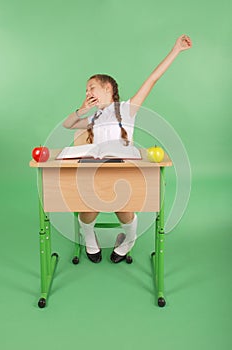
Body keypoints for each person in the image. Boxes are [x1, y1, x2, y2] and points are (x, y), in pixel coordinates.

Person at [63, 34, 192, 263]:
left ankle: (129, 238)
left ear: (108, 88)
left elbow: (152, 79)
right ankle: (89, 238)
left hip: (123, 174)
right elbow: (68, 124)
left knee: (123, 210)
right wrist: (82, 109)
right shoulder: (94, 118)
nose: (87, 93)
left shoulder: (127, 109)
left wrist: (175, 50)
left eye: (91, 88)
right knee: (88, 208)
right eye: (85, 90)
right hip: (95, 173)